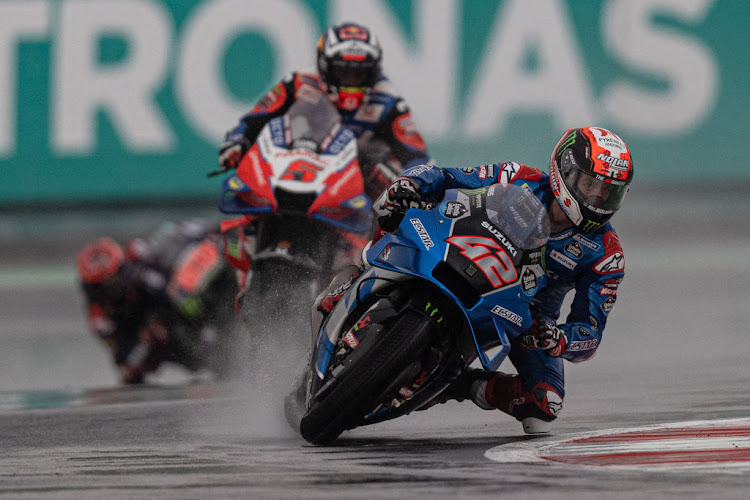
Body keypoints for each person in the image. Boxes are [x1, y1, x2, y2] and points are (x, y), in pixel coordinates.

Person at [375, 126, 634, 434]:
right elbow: (447, 176)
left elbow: (590, 333)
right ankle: (353, 283)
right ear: (565, 171)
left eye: (609, 191)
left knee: (545, 405)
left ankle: (459, 384)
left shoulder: (606, 254)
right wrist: (411, 183)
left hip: (523, 316)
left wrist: (557, 338)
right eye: (591, 184)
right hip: (462, 255)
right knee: (391, 209)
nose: (597, 198)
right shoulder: (517, 176)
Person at [217, 22, 431, 202]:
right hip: (294, 170)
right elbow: (254, 121)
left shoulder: (389, 100)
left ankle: (370, 247)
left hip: (355, 188)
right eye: (343, 72)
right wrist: (236, 141)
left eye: (360, 74)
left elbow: (416, 156)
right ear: (324, 66)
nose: (351, 81)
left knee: (391, 187)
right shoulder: (299, 83)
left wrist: (410, 182)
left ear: (374, 72)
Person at [75, 220, 238, 384]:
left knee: (184, 290)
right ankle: (224, 358)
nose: (117, 284)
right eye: (108, 284)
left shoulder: (138, 257)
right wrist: (147, 337)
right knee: (167, 331)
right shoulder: (100, 318)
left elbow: (164, 283)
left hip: (184, 300)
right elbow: (127, 365)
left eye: (117, 276)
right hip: (164, 335)